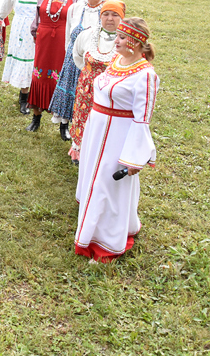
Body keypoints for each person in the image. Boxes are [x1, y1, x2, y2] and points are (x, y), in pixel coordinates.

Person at [74, 17, 159, 263]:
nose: (116, 41)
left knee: (109, 187)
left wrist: (134, 157)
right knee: (93, 180)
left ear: (136, 42)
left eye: (122, 37)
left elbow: (142, 119)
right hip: (97, 131)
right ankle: (92, 227)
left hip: (117, 137)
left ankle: (107, 243)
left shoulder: (146, 75)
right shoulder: (116, 61)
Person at [48, 0, 113, 142]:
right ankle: (64, 125)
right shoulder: (75, 8)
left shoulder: (108, 11)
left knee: (88, 95)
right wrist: (67, 54)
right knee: (70, 91)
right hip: (72, 56)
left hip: (95, 61)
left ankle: (87, 129)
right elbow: (68, 32)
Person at [26, 0, 84, 132]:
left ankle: (63, 124)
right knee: (39, 77)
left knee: (63, 79)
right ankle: (36, 117)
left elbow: (80, 20)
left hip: (64, 42)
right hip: (43, 40)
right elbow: (36, 16)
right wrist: (35, 32)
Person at [69, 0, 124, 164]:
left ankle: (103, 153)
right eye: (106, 14)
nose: (109, 18)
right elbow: (77, 55)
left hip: (111, 92)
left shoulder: (126, 40)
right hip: (86, 88)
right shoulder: (88, 34)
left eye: (115, 15)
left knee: (105, 122)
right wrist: (89, 75)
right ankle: (79, 151)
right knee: (83, 117)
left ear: (122, 18)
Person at [0, 0, 49, 114]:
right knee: (23, 62)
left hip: (37, 30)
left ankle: (35, 96)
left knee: (34, 62)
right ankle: (24, 97)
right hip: (19, 29)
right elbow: (6, 4)